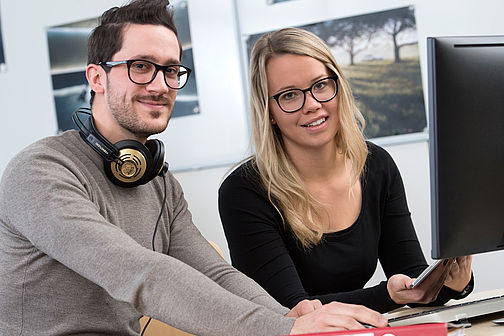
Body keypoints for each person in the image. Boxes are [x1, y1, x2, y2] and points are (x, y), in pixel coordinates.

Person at [0, 2, 389, 335]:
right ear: (96, 77)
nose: (160, 84)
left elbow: (217, 274)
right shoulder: (41, 172)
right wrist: (281, 329)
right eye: (141, 66)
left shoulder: (160, 183)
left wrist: (287, 314)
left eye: (171, 70)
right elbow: (137, 272)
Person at [218, 27, 474, 314]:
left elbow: (412, 283)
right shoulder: (243, 191)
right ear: (269, 112)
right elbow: (290, 310)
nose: (312, 105)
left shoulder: (376, 164)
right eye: (289, 95)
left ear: (338, 86)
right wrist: (387, 295)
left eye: (320, 85)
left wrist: (452, 283)